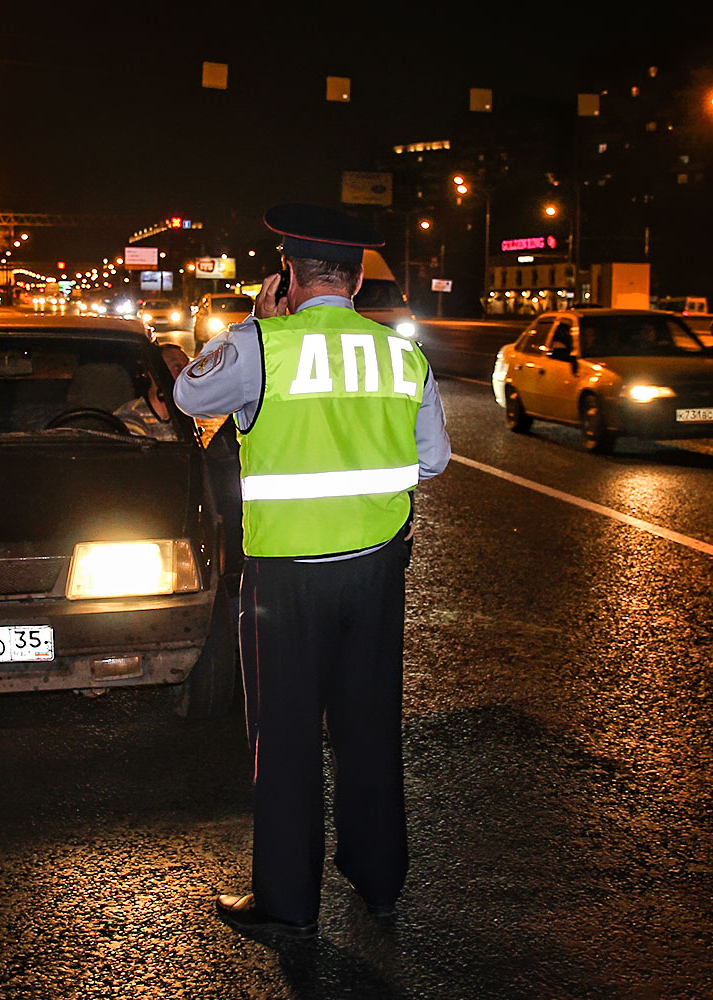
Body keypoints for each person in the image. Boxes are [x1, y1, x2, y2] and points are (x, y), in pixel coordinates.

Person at [174, 203, 450, 938]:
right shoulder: (402, 355)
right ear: (358, 279)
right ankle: (378, 880)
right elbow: (433, 460)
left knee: (287, 734)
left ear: (287, 275)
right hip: (376, 572)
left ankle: (289, 905)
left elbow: (189, 395)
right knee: (369, 726)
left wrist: (251, 326)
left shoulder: (263, 344)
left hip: (286, 579)